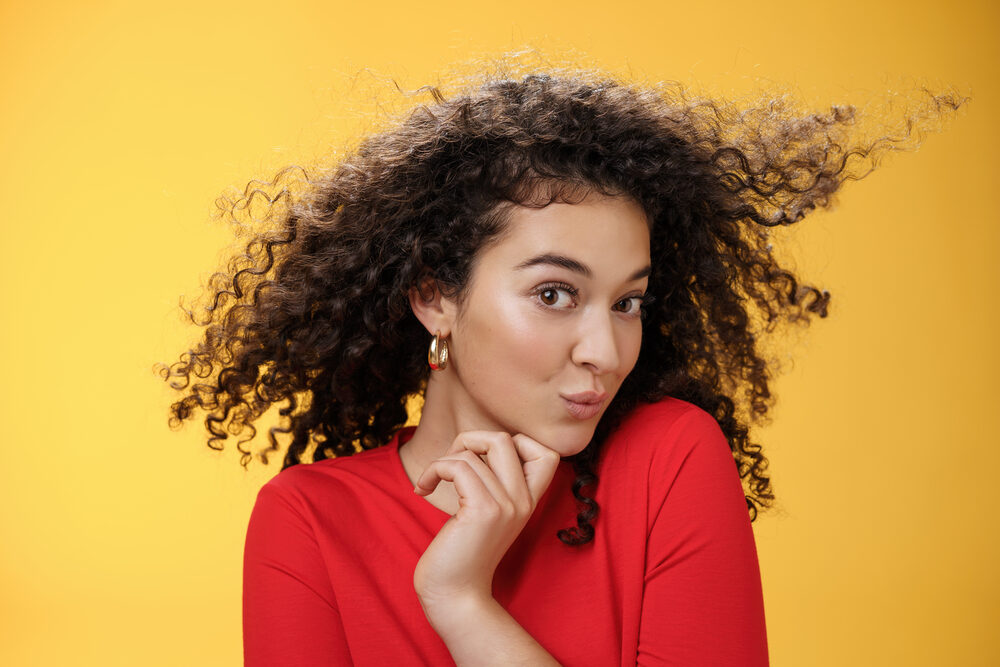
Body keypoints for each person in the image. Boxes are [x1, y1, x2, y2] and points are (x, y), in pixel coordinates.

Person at [157, 64, 963, 665]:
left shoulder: (671, 461)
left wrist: (462, 601)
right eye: (553, 293)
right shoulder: (309, 521)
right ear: (435, 295)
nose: (605, 352)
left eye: (627, 302)